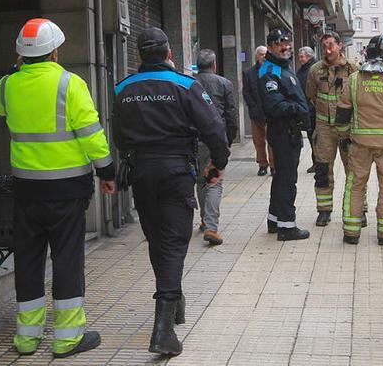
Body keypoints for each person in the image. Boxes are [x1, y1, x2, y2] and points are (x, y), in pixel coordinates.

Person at [0, 18, 115, 358]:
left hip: (26, 191)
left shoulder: (5, 87)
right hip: (67, 192)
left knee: (28, 261)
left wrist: (16, 73)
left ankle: (27, 338)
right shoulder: (70, 84)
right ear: (55, 51)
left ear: (20, 55)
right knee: (66, 259)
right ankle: (67, 338)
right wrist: (107, 170)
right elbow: (91, 133)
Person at [112, 27, 230, 356]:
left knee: (157, 239)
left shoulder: (122, 88)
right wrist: (218, 164)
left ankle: (173, 300)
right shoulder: (184, 84)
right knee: (176, 242)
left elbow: (118, 135)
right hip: (177, 172)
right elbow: (214, 128)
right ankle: (162, 329)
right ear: (168, 54)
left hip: (141, 173)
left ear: (138, 56)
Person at [335, 33, 383, 245]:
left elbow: (343, 115)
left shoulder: (354, 80)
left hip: (359, 145)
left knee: (354, 186)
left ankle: (351, 232)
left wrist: (345, 137)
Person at [258, 29, 312, 241]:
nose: (286, 47)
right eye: (281, 44)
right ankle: (287, 227)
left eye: (288, 43)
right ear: (270, 46)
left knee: (281, 176)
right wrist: (298, 108)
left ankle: (274, 220)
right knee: (287, 180)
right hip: (283, 131)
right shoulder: (270, 71)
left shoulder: (283, 67)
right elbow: (274, 105)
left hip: (289, 131)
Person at [305, 31, 357, 226]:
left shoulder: (353, 69)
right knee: (323, 169)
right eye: (324, 46)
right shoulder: (315, 70)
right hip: (324, 128)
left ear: (339, 45)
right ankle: (324, 210)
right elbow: (311, 95)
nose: (327, 50)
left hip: (347, 129)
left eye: (331, 45)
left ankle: (358, 211)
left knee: (354, 170)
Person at [194, 49, 239, 245]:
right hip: (216, 139)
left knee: (199, 181)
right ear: (214, 65)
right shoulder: (225, 83)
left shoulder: (189, 84)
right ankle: (211, 227)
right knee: (214, 180)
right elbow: (232, 116)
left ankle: (204, 220)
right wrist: (226, 144)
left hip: (194, 139)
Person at [242, 46, 274, 175]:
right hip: (256, 113)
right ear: (256, 56)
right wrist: (253, 106)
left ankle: (273, 165)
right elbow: (246, 92)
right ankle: (262, 164)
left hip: (271, 113)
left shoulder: (274, 70)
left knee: (272, 140)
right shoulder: (249, 73)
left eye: (266, 54)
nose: (263, 57)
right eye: (261, 54)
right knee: (258, 141)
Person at [296, 46, 318, 173]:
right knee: (311, 137)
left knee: (315, 137)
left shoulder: (314, 68)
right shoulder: (303, 69)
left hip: (313, 109)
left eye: (302, 57)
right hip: (306, 108)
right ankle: (316, 162)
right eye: (299, 57)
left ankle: (318, 163)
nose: (300, 59)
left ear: (309, 56)